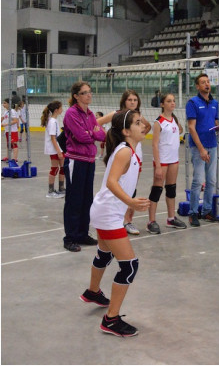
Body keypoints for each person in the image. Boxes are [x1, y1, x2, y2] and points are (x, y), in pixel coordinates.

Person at [80, 109, 151, 337]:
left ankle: (92, 292)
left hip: (105, 210)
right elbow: (112, 182)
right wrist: (130, 201)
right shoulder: (124, 152)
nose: (143, 126)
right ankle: (110, 320)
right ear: (126, 131)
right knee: (129, 265)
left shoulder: (128, 148)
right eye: (138, 123)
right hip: (108, 214)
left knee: (104, 254)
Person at [62, 82, 107, 252]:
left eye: (90, 92)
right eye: (85, 92)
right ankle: (70, 237)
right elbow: (81, 137)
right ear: (76, 96)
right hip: (76, 160)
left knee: (87, 199)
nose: (89, 95)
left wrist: (93, 133)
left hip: (89, 160)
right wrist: (92, 133)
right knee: (74, 200)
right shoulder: (71, 113)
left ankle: (82, 233)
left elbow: (102, 135)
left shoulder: (90, 114)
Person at [146, 93, 187, 234]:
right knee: (157, 190)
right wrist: (157, 165)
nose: (172, 103)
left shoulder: (174, 119)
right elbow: (155, 145)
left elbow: (179, 130)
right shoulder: (158, 122)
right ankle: (151, 221)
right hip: (162, 161)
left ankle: (171, 218)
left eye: (173, 101)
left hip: (173, 160)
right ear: (162, 104)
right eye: (169, 101)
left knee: (171, 189)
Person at [186, 74, 219, 225]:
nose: (207, 84)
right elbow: (191, 128)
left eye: (208, 82)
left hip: (212, 145)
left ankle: (206, 211)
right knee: (198, 181)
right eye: (203, 82)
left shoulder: (215, 103)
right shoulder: (192, 102)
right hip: (198, 147)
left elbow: (216, 123)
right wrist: (201, 149)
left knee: (211, 181)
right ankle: (193, 212)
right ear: (197, 86)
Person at [117, 90, 153, 236]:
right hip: (123, 155)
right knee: (118, 186)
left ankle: (128, 221)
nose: (132, 102)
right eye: (130, 100)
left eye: (135, 100)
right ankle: (117, 219)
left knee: (132, 189)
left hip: (136, 157)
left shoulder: (139, 117)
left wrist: (140, 134)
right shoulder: (119, 116)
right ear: (124, 101)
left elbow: (148, 126)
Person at [41, 101, 65, 198]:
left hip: (58, 148)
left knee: (63, 168)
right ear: (56, 110)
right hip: (55, 149)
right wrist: (59, 151)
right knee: (55, 169)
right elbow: (53, 138)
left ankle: (61, 188)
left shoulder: (53, 120)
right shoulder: (52, 122)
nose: (62, 109)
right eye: (61, 108)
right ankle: (50, 191)